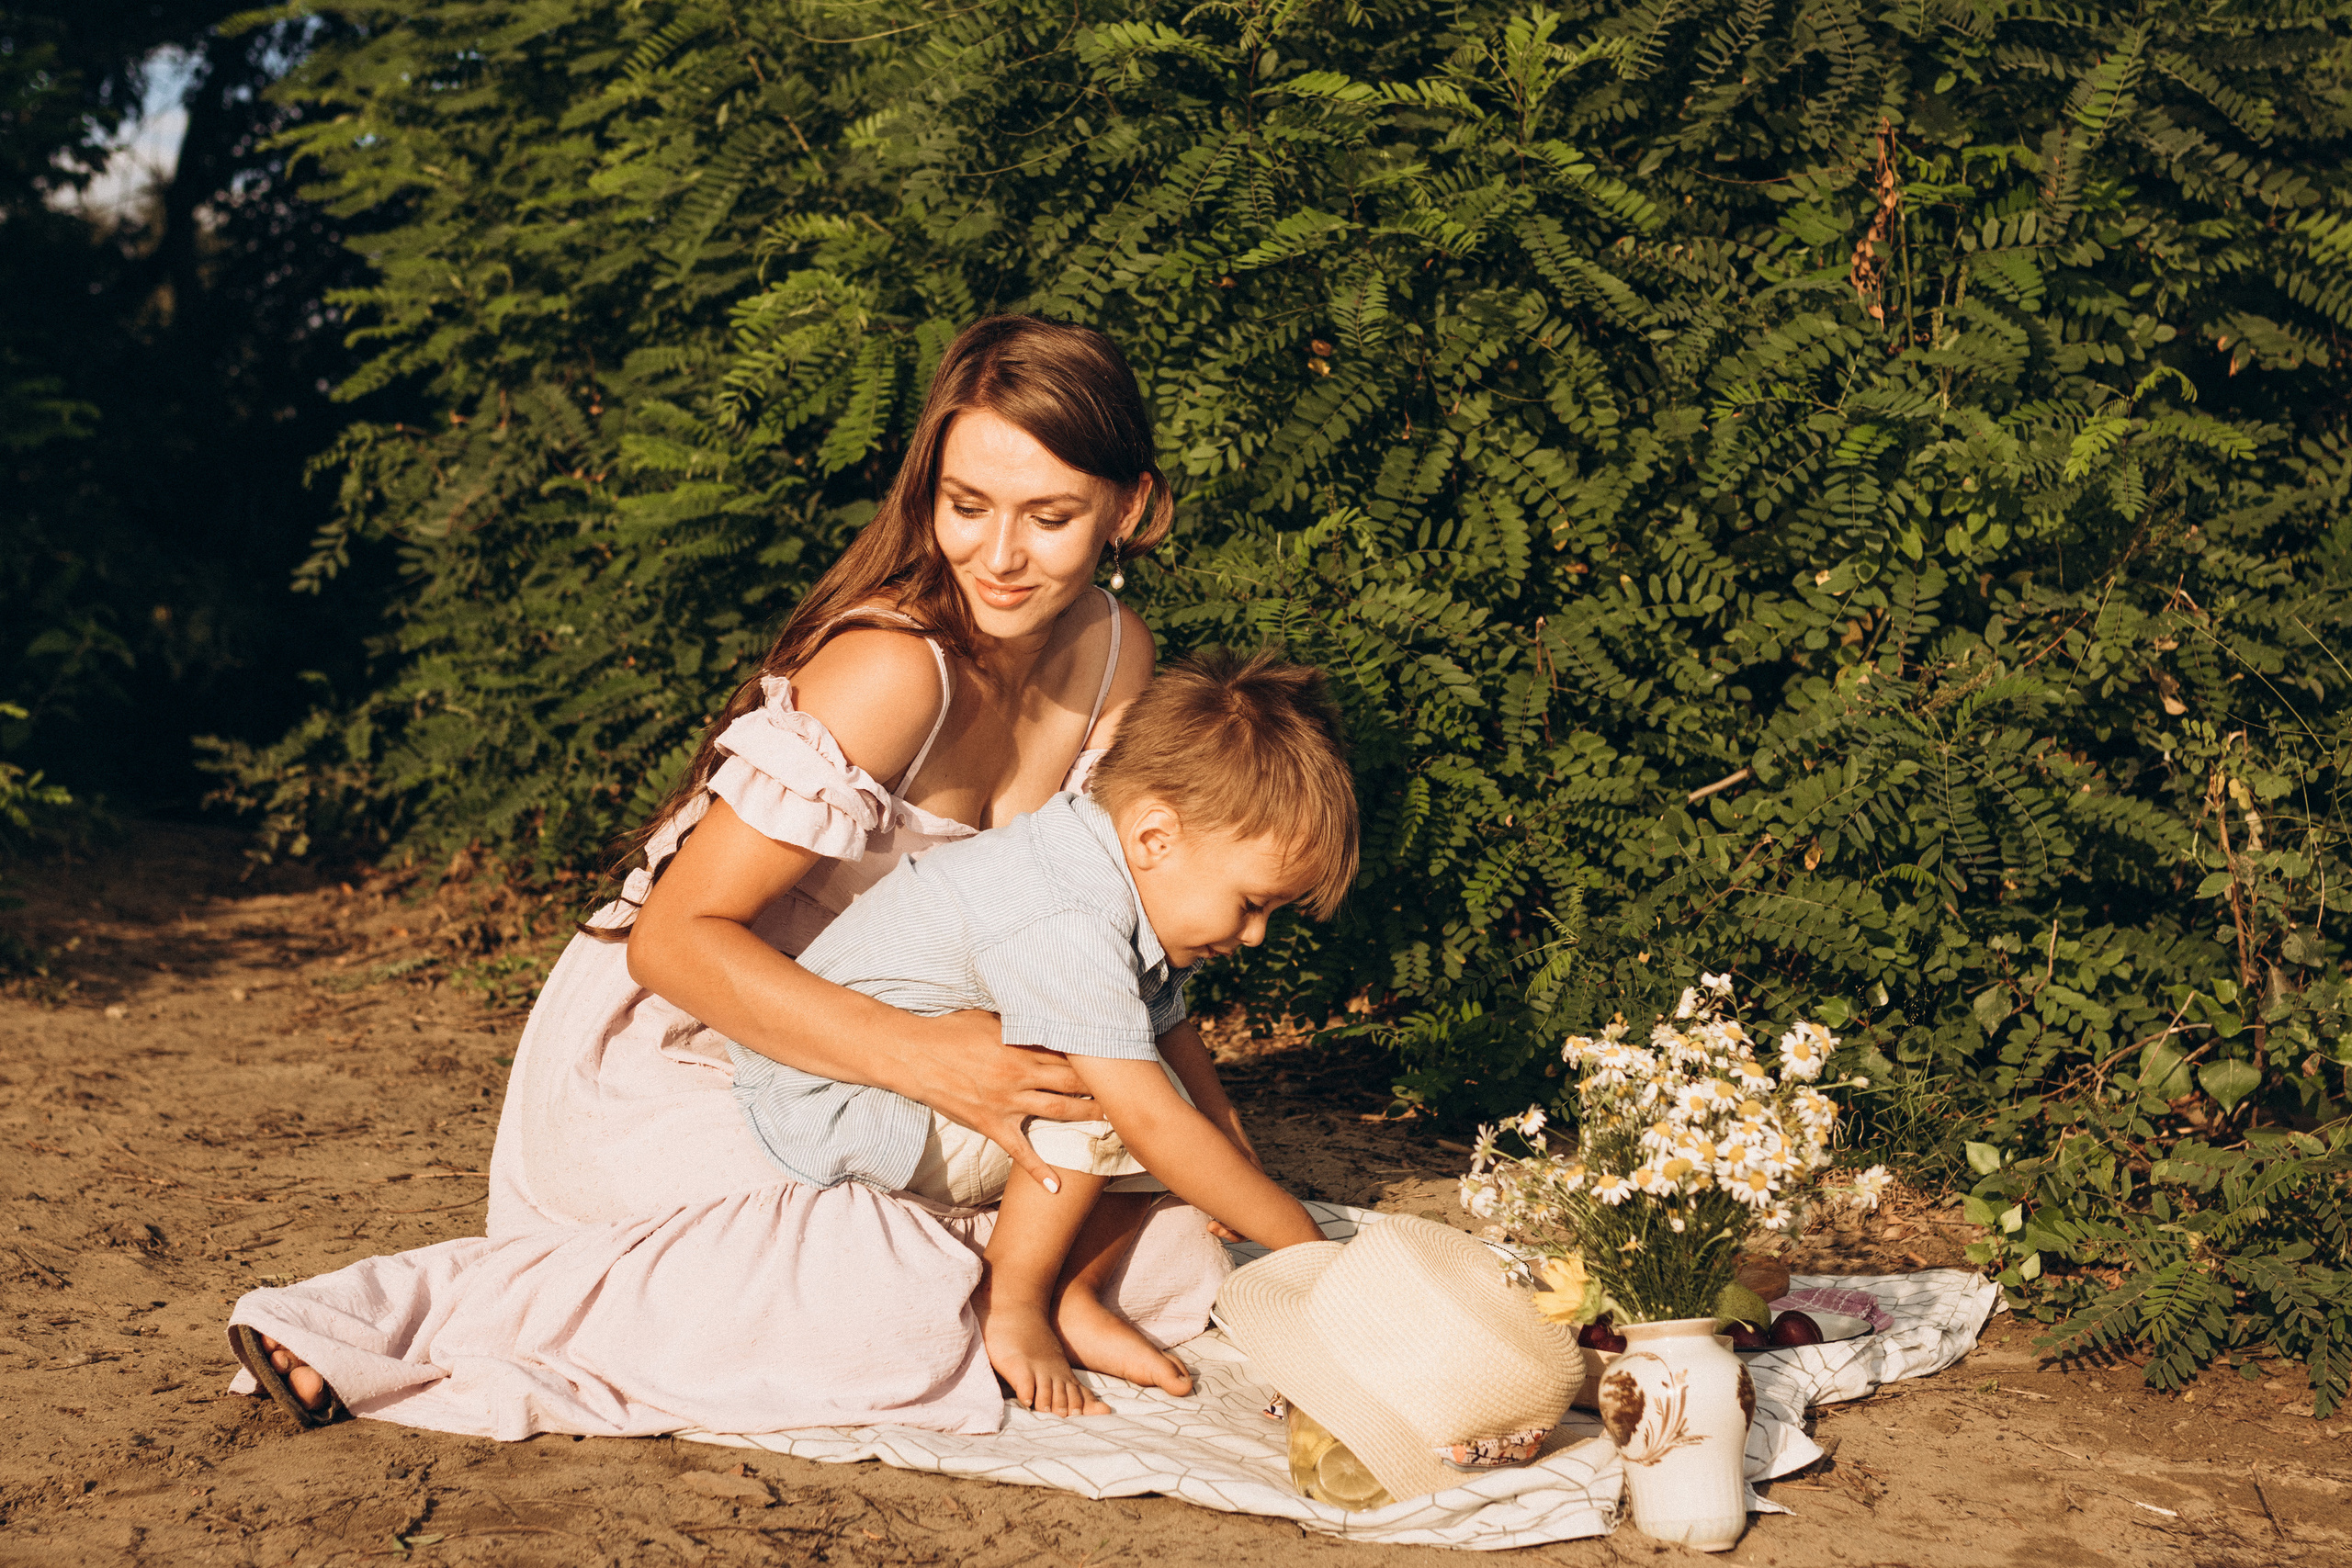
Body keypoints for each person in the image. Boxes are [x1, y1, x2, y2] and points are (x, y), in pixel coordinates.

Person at [222, 315, 1239, 1439]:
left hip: (898, 1067)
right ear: (928, 495)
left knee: (1181, 1245)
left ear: (1130, 508)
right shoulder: (895, 671)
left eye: (1048, 518)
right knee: (886, 1300)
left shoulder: (1117, 659)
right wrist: (931, 1060)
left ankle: (991, 1281)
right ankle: (408, 1310)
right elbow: (674, 942)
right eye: (966, 506)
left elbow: (1106, 935)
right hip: (691, 1054)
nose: (998, 556)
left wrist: (1213, 1139)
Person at [730, 650, 1355, 1415]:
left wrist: (1227, 1136)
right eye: (1252, 903)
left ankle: (1074, 1292)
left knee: (1178, 1119)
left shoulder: (1113, 860)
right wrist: (1307, 1252)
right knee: (1127, 1102)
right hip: (844, 1101)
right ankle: (1014, 1299)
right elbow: (1149, 1115)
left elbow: (1167, 1021)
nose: (1256, 935)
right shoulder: (1067, 911)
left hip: (917, 1078)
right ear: (1157, 836)